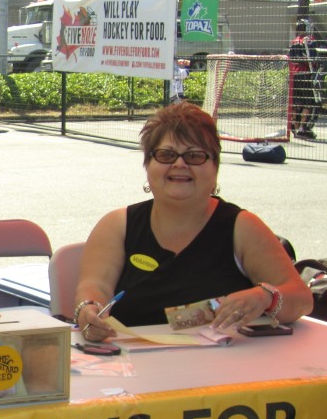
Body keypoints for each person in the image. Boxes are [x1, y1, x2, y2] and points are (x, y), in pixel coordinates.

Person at [75, 102, 312, 340]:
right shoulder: (117, 225)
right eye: (166, 155)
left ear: (215, 168)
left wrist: (266, 297)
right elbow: (96, 287)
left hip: (223, 369)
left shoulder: (243, 227)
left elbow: (301, 300)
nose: (179, 164)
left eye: (195, 155)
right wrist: (88, 309)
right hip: (130, 364)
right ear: (148, 165)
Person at [288, 20, 321, 140]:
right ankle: (303, 128)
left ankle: (295, 128)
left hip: (294, 75)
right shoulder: (309, 40)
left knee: (297, 103)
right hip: (306, 74)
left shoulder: (293, 42)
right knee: (309, 103)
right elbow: (313, 58)